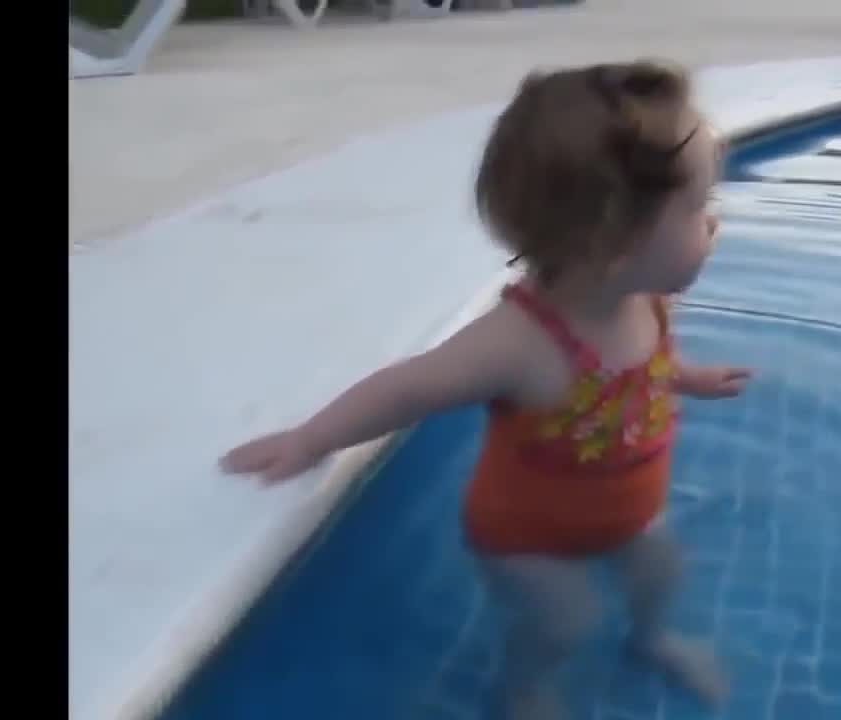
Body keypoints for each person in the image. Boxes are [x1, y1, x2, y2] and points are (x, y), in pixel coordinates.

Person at [220, 59, 751, 720]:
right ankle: (525, 690)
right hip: (526, 539)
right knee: (566, 622)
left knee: (661, 568)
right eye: (698, 206)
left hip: (627, 515)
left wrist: (690, 378)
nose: (714, 221)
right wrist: (311, 438)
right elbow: (407, 390)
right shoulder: (520, 343)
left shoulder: (641, 299)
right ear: (616, 243)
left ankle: (653, 640)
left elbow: (643, 369)